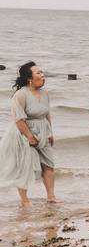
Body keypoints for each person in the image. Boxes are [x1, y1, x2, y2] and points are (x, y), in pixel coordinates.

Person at [0, 62, 58, 206]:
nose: (42, 75)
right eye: (38, 73)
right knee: (25, 166)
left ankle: (51, 197)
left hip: (43, 130)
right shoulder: (20, 95)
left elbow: (47, 114)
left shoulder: (45, 94)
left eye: (42, 72)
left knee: (49, 164)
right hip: (24, 132)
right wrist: (30, 136)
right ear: (29, 78)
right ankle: (25, 201)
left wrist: (50, 132)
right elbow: (18, 118)